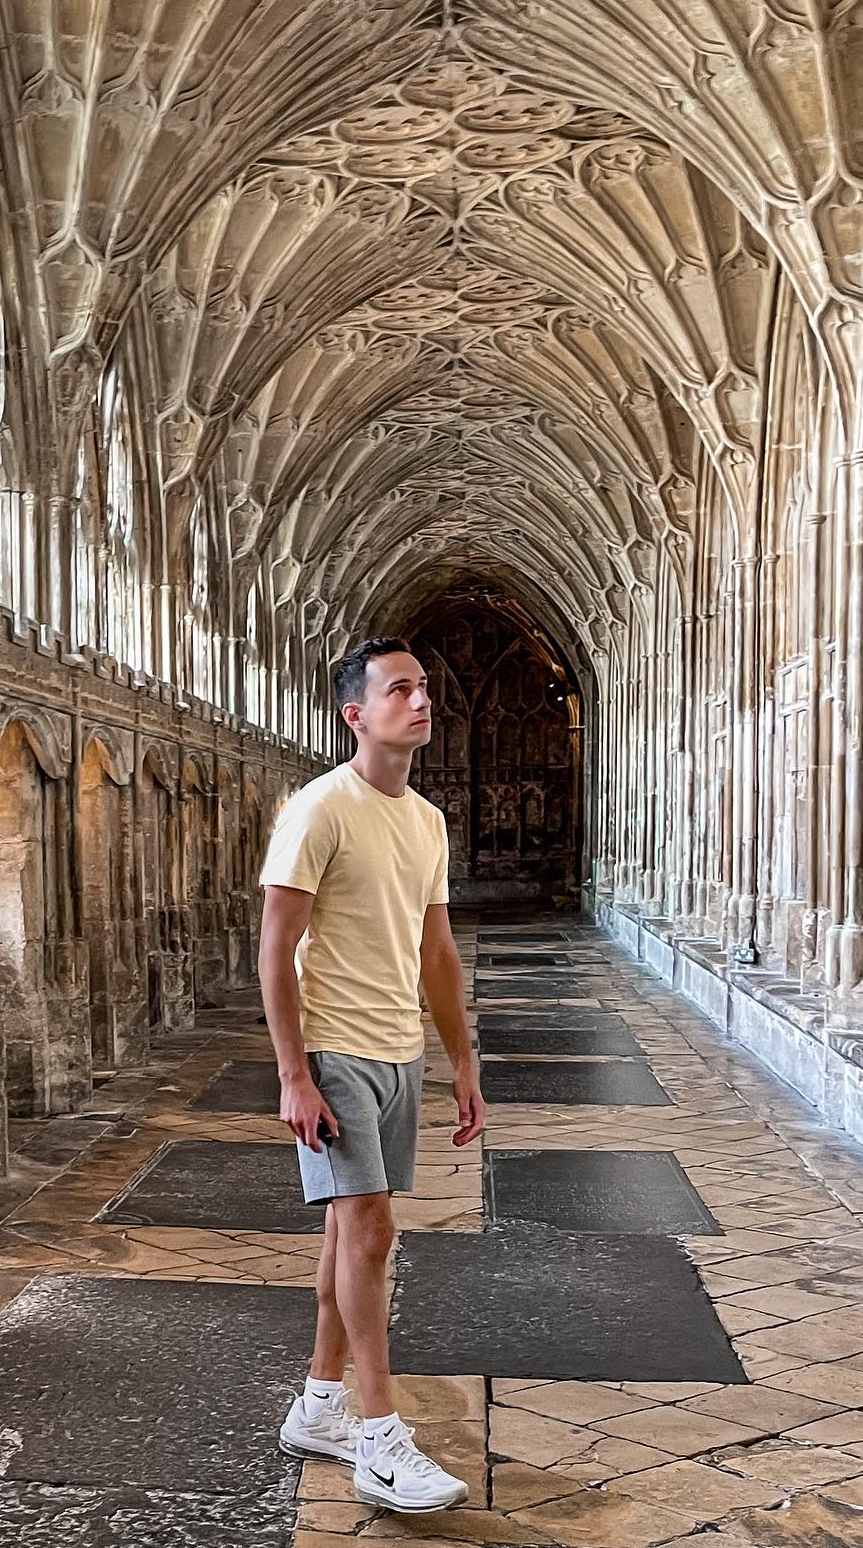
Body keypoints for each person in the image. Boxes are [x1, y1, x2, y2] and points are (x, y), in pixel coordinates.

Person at [258, 636, 485, 1515]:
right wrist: (293, 1074)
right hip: (335, 1050)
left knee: (350, 1237)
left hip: (400, 1052)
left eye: (425, 687)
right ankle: (381, 1436)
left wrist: (462, 1061)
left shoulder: (425, 821)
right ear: (356, 713)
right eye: (400, 689)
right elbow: (276, 950)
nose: (420, 700)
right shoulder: (321, 809)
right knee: (370, 1229)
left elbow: (436, 953)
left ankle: (319, 1409)